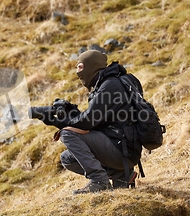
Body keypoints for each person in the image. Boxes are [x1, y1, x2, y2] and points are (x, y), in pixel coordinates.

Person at [40, 50, 142, 194]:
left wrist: (59, 122)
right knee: (68, 158)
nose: (77, 72)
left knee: (67, 134)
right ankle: (121, 175)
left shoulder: (109, 86)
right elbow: (95, 121)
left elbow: (88, 122)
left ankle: (100, 181)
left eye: (80, 67)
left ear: (91, 65)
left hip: (122, 151)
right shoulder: (108, 84)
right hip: (124, 149)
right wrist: (72, 112)